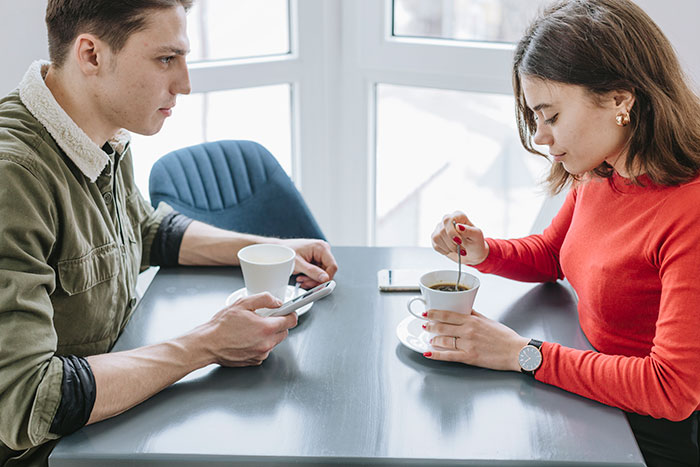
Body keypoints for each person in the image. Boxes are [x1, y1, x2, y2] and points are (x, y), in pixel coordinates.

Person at [0, 1, 338, 465]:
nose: (184, 83)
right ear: (91, 55)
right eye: (165, 59)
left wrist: (268, 248)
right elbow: (28, 400)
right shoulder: (13, 177)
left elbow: (145, 229)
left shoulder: (101, 132)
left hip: (113, 426)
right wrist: (207, 343)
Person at [428, 0, 700, 466]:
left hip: (643, 433)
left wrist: (524, 354)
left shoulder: (690, 213)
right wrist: (484, 250)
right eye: (535, 117)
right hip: (587, 391)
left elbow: (670, 390)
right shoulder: (603, 171)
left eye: (551, 116)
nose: (540, 136)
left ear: (620, 98)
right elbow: (555, 253)